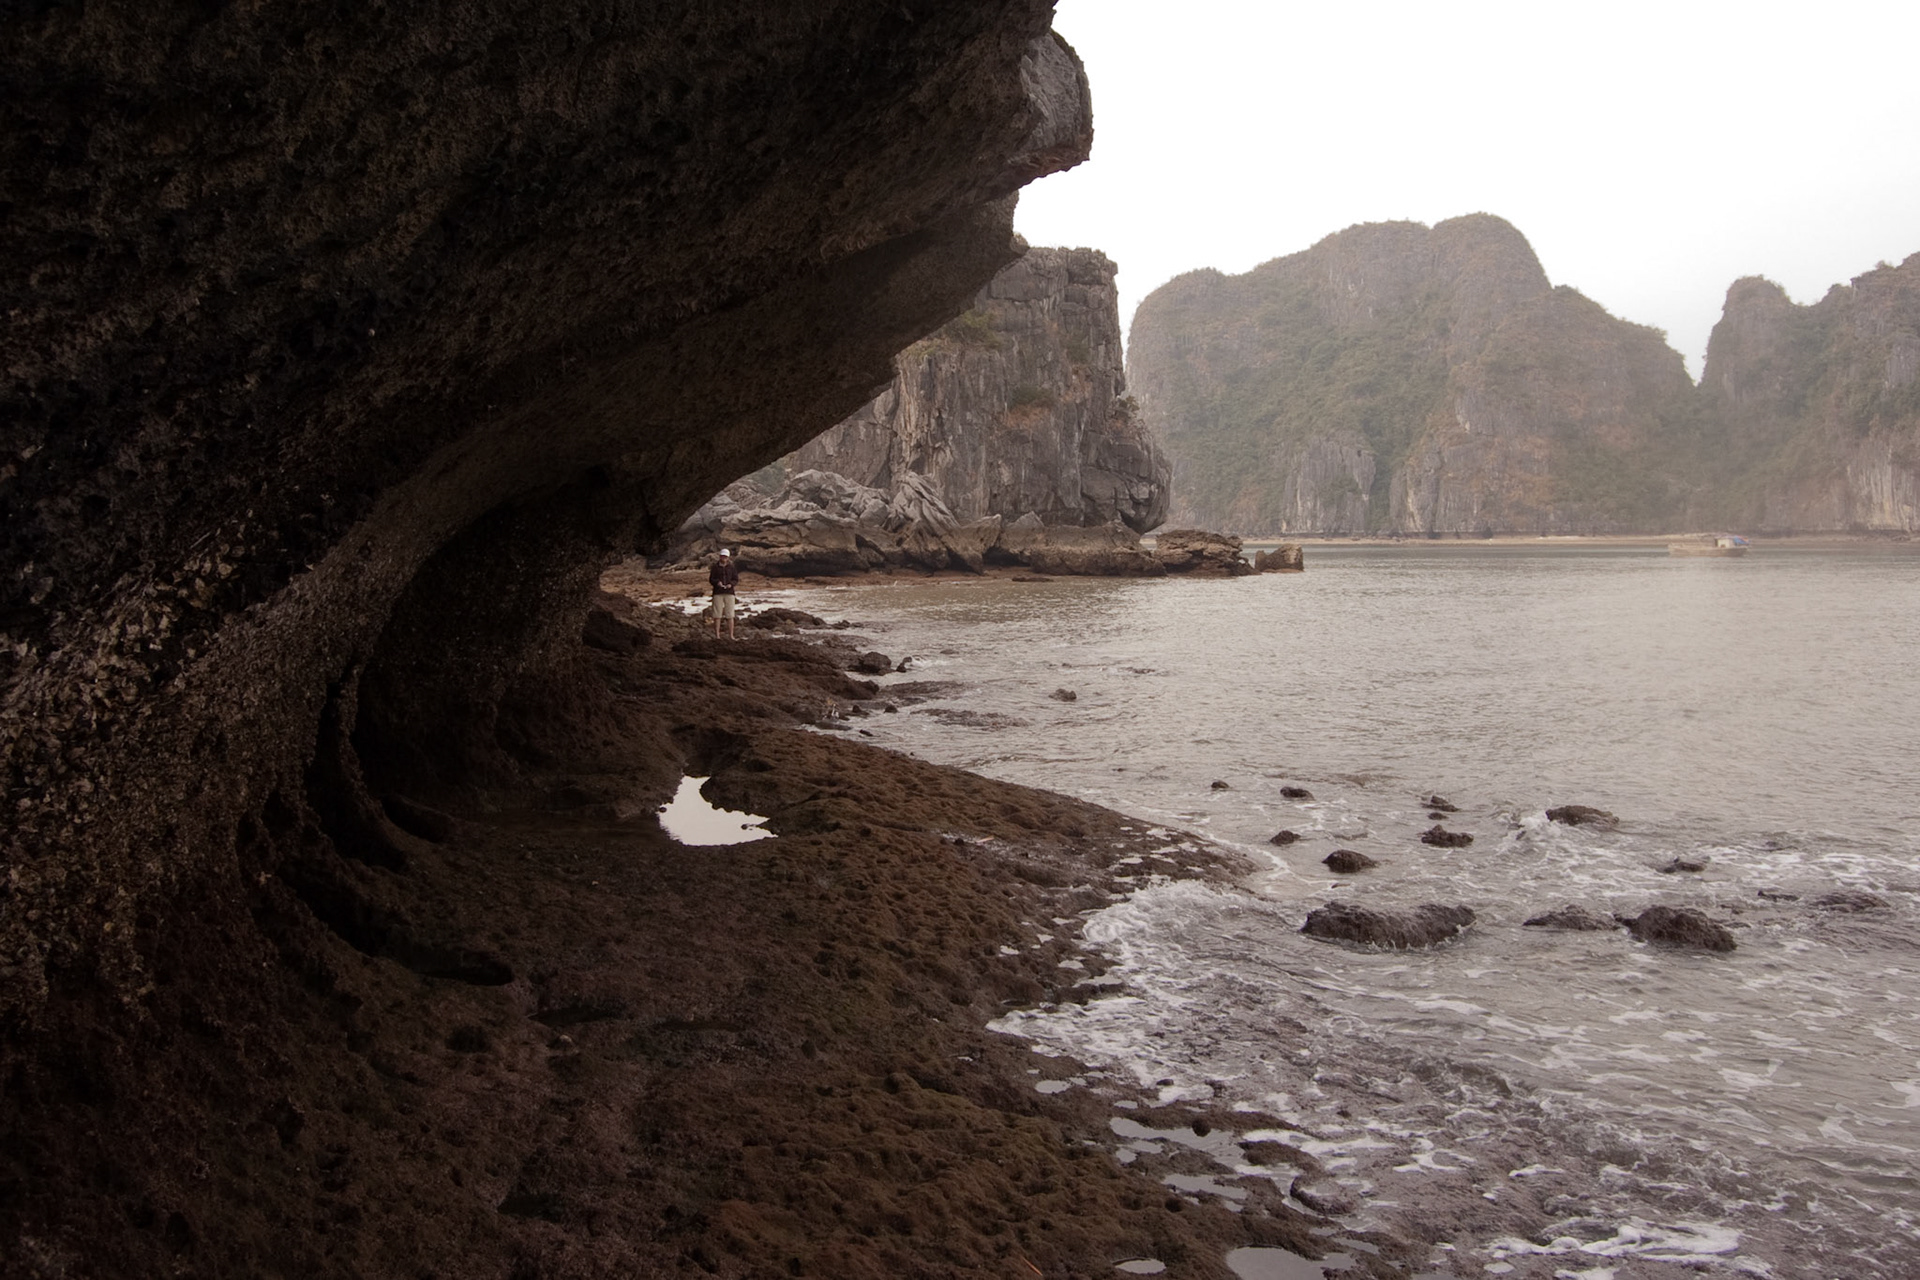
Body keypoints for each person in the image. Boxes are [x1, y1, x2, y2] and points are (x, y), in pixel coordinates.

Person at [708, 548, 739, 639]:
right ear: (720, 556)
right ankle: (717, 636)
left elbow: (736, 579)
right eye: (722, 556)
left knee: (730, 615)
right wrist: (718, 583)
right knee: (717, 615)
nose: (723, 558)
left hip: (729, 592)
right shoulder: (715, 567)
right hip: (718, 592)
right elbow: (711, 579)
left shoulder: (732, 568)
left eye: (725, 556)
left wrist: (731, 584)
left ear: (728, 557)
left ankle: (731, 635)